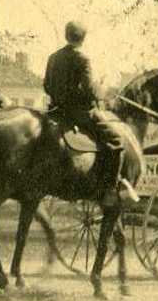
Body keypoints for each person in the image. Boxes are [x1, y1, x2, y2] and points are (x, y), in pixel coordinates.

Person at [43, 20, 136, 203]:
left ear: (66, 35)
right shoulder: (83, 58)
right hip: (80, 113)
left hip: (55, 112)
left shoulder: (53, 57)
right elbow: (89, 90)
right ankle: (110, 189)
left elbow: (46, 85)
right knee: (117, 140)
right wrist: (103, 95)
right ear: (83, 38)